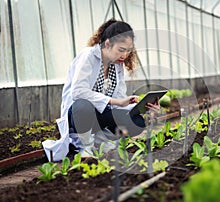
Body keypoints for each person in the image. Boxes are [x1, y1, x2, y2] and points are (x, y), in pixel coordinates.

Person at [42, 19, 159, 161]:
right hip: (78, 116)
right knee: (83, 105)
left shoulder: (117, 65)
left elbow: (120, 98)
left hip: (100, 115)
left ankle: (99, 142)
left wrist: (141, 106)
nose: (125, 55)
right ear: (108, 43)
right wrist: (115, 101)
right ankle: (85, 146)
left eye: (128, 51)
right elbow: (78, 92)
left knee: (137, 122)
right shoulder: (88, 56)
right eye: (121, 50)